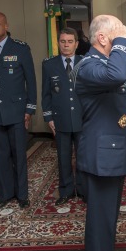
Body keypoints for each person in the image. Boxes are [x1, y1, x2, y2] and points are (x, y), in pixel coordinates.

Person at [74, 15, 126, 251]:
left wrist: (119, 41)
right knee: (100, 221)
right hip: (102, 157)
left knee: (108, 219)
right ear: (103, 38)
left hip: (111, 153)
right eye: (119, 35)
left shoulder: (101, 63)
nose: (125, 40)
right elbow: (117, 76)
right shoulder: (88, 65)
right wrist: (123, 40)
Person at [0, 11, 37, 210]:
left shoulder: (20, 48)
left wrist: (29, 108)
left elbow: (31, 80)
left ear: (6, 26)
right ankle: (4, 194)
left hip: (17, 111)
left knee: (18, 154)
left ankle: (22, 194)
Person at [41, 28, 85, 205]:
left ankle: (82, 190)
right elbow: (46, 93)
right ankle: (66, 190)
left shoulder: (85, 63)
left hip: (82, 118)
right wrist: (48, 117)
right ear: (58, 43)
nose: (66, 45)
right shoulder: (49, 64)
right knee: (63, 157)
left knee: (83, 157)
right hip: (60, 119)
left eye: (70, 42)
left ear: (76, 44)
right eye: (63, 41)